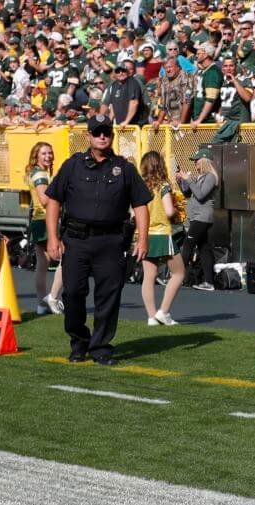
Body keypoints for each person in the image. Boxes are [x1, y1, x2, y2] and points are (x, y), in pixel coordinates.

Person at [44, 115, 152, 365]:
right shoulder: (73, 166)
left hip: (112, 241)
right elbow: (53, 200)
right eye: (97, 132)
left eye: (106, 132)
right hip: (76, 239)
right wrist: (52, 237)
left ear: (112, 136)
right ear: (89, 136)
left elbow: (141, 205)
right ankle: (79, 340)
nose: (102, 136)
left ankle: (101, 346)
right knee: (72, 294)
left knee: (109, 296)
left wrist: (142, 239)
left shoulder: (124, 168)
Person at [139, 151, 185, 326]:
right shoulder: (163, 185)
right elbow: (168, 211)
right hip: (162, 234)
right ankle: (163, 312)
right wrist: (176, 210)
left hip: (144, 234)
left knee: (148, 276)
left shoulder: (141, 187)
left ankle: (151, 316)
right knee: (179, 273)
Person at [25, 142, 65, 316]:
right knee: (68, 259)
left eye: (50, 153)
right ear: (36, 156)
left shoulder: (37, 172)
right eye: (44, 153)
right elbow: (44, 200)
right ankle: (53, 297)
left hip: (38, 220)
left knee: (42, 264)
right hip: (45, 221)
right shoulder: (40, 173)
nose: (48, 156)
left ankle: (42, 303)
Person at [177, 149, 219, 291]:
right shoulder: (201, 177)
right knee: (204, 248)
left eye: (197, 160)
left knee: (188, 243)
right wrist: (181, 181)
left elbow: (200, 195)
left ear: (204, 160)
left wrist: (189, 180)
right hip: (197, 217)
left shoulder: (211, 177)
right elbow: (188, 193)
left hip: (202, 217)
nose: (195, 163)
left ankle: (178, 276)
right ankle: (209, 282)